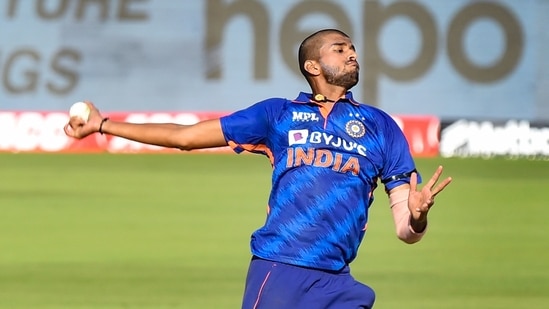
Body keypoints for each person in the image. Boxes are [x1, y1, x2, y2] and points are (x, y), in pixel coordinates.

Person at [65, 29, 452, 309]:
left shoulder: (380, 126)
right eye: (341, 48)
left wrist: (417, 217)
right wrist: (103, 125)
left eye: (353, 48)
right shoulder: (278, 114)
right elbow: (184, 136)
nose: (353, 54)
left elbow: (407, 232)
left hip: (338, 284)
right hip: (280, 269)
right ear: (312, 64)